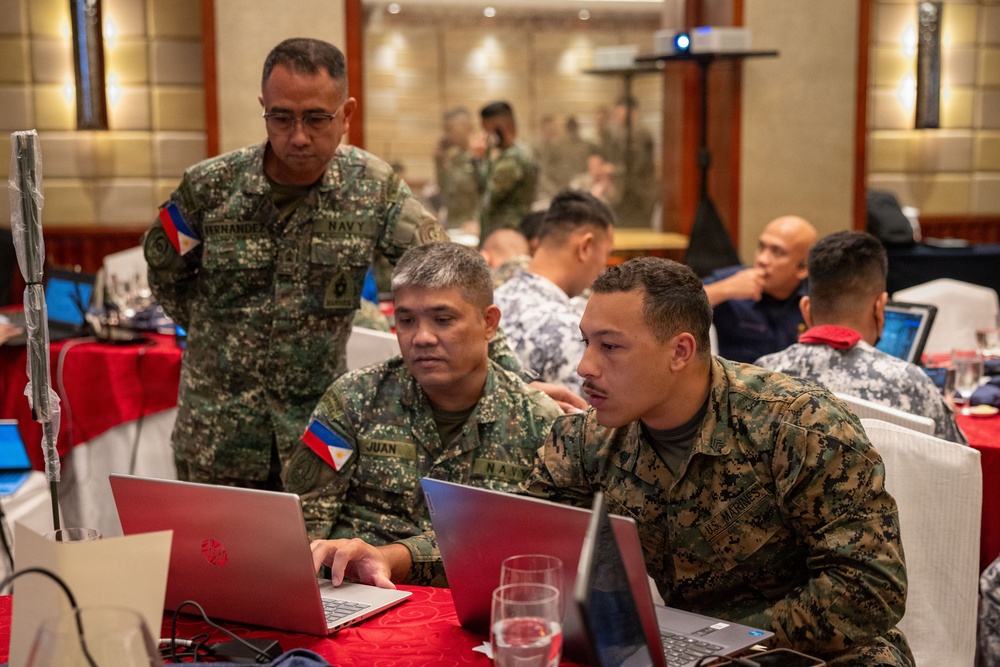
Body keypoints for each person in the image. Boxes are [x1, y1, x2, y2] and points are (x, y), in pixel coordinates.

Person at [522, 257, 913, 666]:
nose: (585, 367)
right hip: (686, 653)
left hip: (820, 654)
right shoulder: (585, 440)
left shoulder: (799, 425)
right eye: (587, 342)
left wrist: (720, 641)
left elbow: (871, 588)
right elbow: (523, 556)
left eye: (611, 346)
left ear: (680, 351)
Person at [143, 38, 446, 489]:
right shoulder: (210, 187)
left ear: (346, 114)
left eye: (316, 118)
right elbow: (165, 272)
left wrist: (507, 374)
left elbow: (444, 276)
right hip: (216, 435)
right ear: (264, 107)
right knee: (213, 558)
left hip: (320, 434)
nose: (298, 135)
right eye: (281, 118)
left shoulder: (373, 188)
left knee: (316, 559)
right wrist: (217, 329)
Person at [291, 242, 561, 586]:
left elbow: (525, 550)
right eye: (406, 320)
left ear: (489, 323)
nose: (422, 337)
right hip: (354, 601)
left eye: (443, 319)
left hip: (472, 614)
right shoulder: (352, 400)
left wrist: (391, 557)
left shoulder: (538, 423)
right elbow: (303, 524)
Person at [755, 231, 966, 444]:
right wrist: (946, 412)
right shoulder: (911, 384)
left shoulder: (763, 376)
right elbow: (957, 467)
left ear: (806, 309)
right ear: (880, 308)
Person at [494, 190, 615, 397]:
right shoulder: (573, 330)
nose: (602, 269)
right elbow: (586, 421)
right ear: (585, 247)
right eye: (605, 255)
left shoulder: (493, 301)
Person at [703, 216, 818, 363]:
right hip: (738, 384)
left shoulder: (818, 298)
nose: (762, 259)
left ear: (804, 268)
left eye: (777, 252)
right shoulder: (730, 280)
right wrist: (723, 290)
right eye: (761, 247)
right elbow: (672, 305)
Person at [472, 101, 539, 243]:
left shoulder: (513, 158)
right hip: (504, 232)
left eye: (487, 130)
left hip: (507, 234)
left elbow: (489, 196)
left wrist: (478, 160)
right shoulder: (511, 153)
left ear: (499, 129)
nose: (486, 136)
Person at [433, 107, 479, 228]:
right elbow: (446, 193)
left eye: (449, 129)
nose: (445, 135)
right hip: (454, 227)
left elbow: (490, 197)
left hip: (475, 227)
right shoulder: (454, 158)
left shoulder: (482, 156)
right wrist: (439, 162)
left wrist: (479, 222)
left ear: (466, 127)